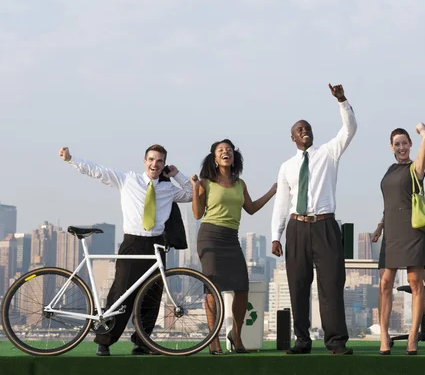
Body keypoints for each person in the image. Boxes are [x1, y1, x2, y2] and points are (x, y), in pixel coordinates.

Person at [58, 144, 193, 356]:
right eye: (151, 159)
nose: (154, 164)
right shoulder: (129, 180)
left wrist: (177, 174)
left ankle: (143, 343)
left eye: (159, 161)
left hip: (157, 244)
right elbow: (98, 171)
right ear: (144, 160)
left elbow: (191, 194)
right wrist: (71, 159)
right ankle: (104, 341)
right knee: (120, 294)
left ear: (164, 164)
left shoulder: (168, 189)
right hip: (132, 243)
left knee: (152, 295)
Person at [271, 83, 357, 355]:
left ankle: (335, 342)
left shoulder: (328, 153)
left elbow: (349, 129)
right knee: (298, 285)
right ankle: (302, 340)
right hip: (297, 228)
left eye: (307, 128)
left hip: (325, 226)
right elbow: (281, 203)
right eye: (299, 129)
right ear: (292, 137)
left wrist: (342, 101)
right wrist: (276, 235)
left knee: (331, 283)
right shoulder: (287, 166)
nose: (304, 131)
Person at [191, 139, 276, 355]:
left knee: (242, 287)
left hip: (231, 237)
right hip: (209, 236)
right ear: (214, 158)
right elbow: (197, 214)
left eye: (229, 150)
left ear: (234, 156)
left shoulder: (240, 184)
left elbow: (251, 208)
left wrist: (272, 191)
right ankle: (213, 339)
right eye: (221, 150)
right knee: (212, 287)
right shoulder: (206, 182)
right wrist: (194, 189)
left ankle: (236, 336)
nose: (225, 152)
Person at [374, 125, 425, 355]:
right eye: (396, 144)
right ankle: (384, 336)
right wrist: (380, 226)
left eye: (404, 143)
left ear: (410, 145)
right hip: (391, 232)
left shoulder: (415, 168)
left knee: (415, 282)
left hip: (413, 231)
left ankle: (412, 337)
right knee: (385, 283)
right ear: (392, 147)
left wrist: (424, 133)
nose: (401, 148)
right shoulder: (389, 170)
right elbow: (390, 202)